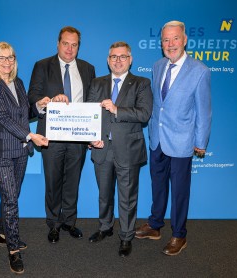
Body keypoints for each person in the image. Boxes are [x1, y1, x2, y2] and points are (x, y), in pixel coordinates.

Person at [135, 20, 212, 256]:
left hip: (182, 141)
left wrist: (201, 141)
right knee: (157, 186)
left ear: (184, 40)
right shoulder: (158, 66)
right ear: (161, 43)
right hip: (157, 138)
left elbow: (204, 110)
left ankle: (179, 234)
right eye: (166, 40)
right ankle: (155, 225)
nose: (170, 44)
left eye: (175, 39)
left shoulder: (200, 71)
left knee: (179, 191)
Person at [0, 42, 48, 274]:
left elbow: (24, 113)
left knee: (12, 196)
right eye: (1, 58)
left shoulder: (17, 83)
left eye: (10, 57)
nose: (7, 62)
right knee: (10, 200)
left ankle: (3, 234)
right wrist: (31, 135)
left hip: (20, 150)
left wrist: (39, 105)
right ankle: (13, 250)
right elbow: (3, 118)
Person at [28, 26, 96, 243]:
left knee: (73, 181)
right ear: (58, 44)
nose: (69, 48)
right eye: (65, 43)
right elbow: (33, 97)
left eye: (74, 44)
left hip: (78, 135)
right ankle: (54, 223)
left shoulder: (88, 68)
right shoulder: (42, 66)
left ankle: (69, 222)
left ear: (78, 46)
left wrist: (93, 132)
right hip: (51, 135)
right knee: (53, 180)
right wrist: (48, 100)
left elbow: (92, 103)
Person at [87, 42, 153, 257]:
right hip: (101, 148)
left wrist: (116, 109)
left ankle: (126, 236)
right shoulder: (97, 83)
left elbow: (144, 114)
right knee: (104, 194)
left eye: (123, 56)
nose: (118, 60)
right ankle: (105, 228)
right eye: (114, 56)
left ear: (130, 59)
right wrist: (91, 137)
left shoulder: (141, 83)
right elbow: (89, 116)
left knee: (127, 197)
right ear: (108, 60)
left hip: (128, 149)